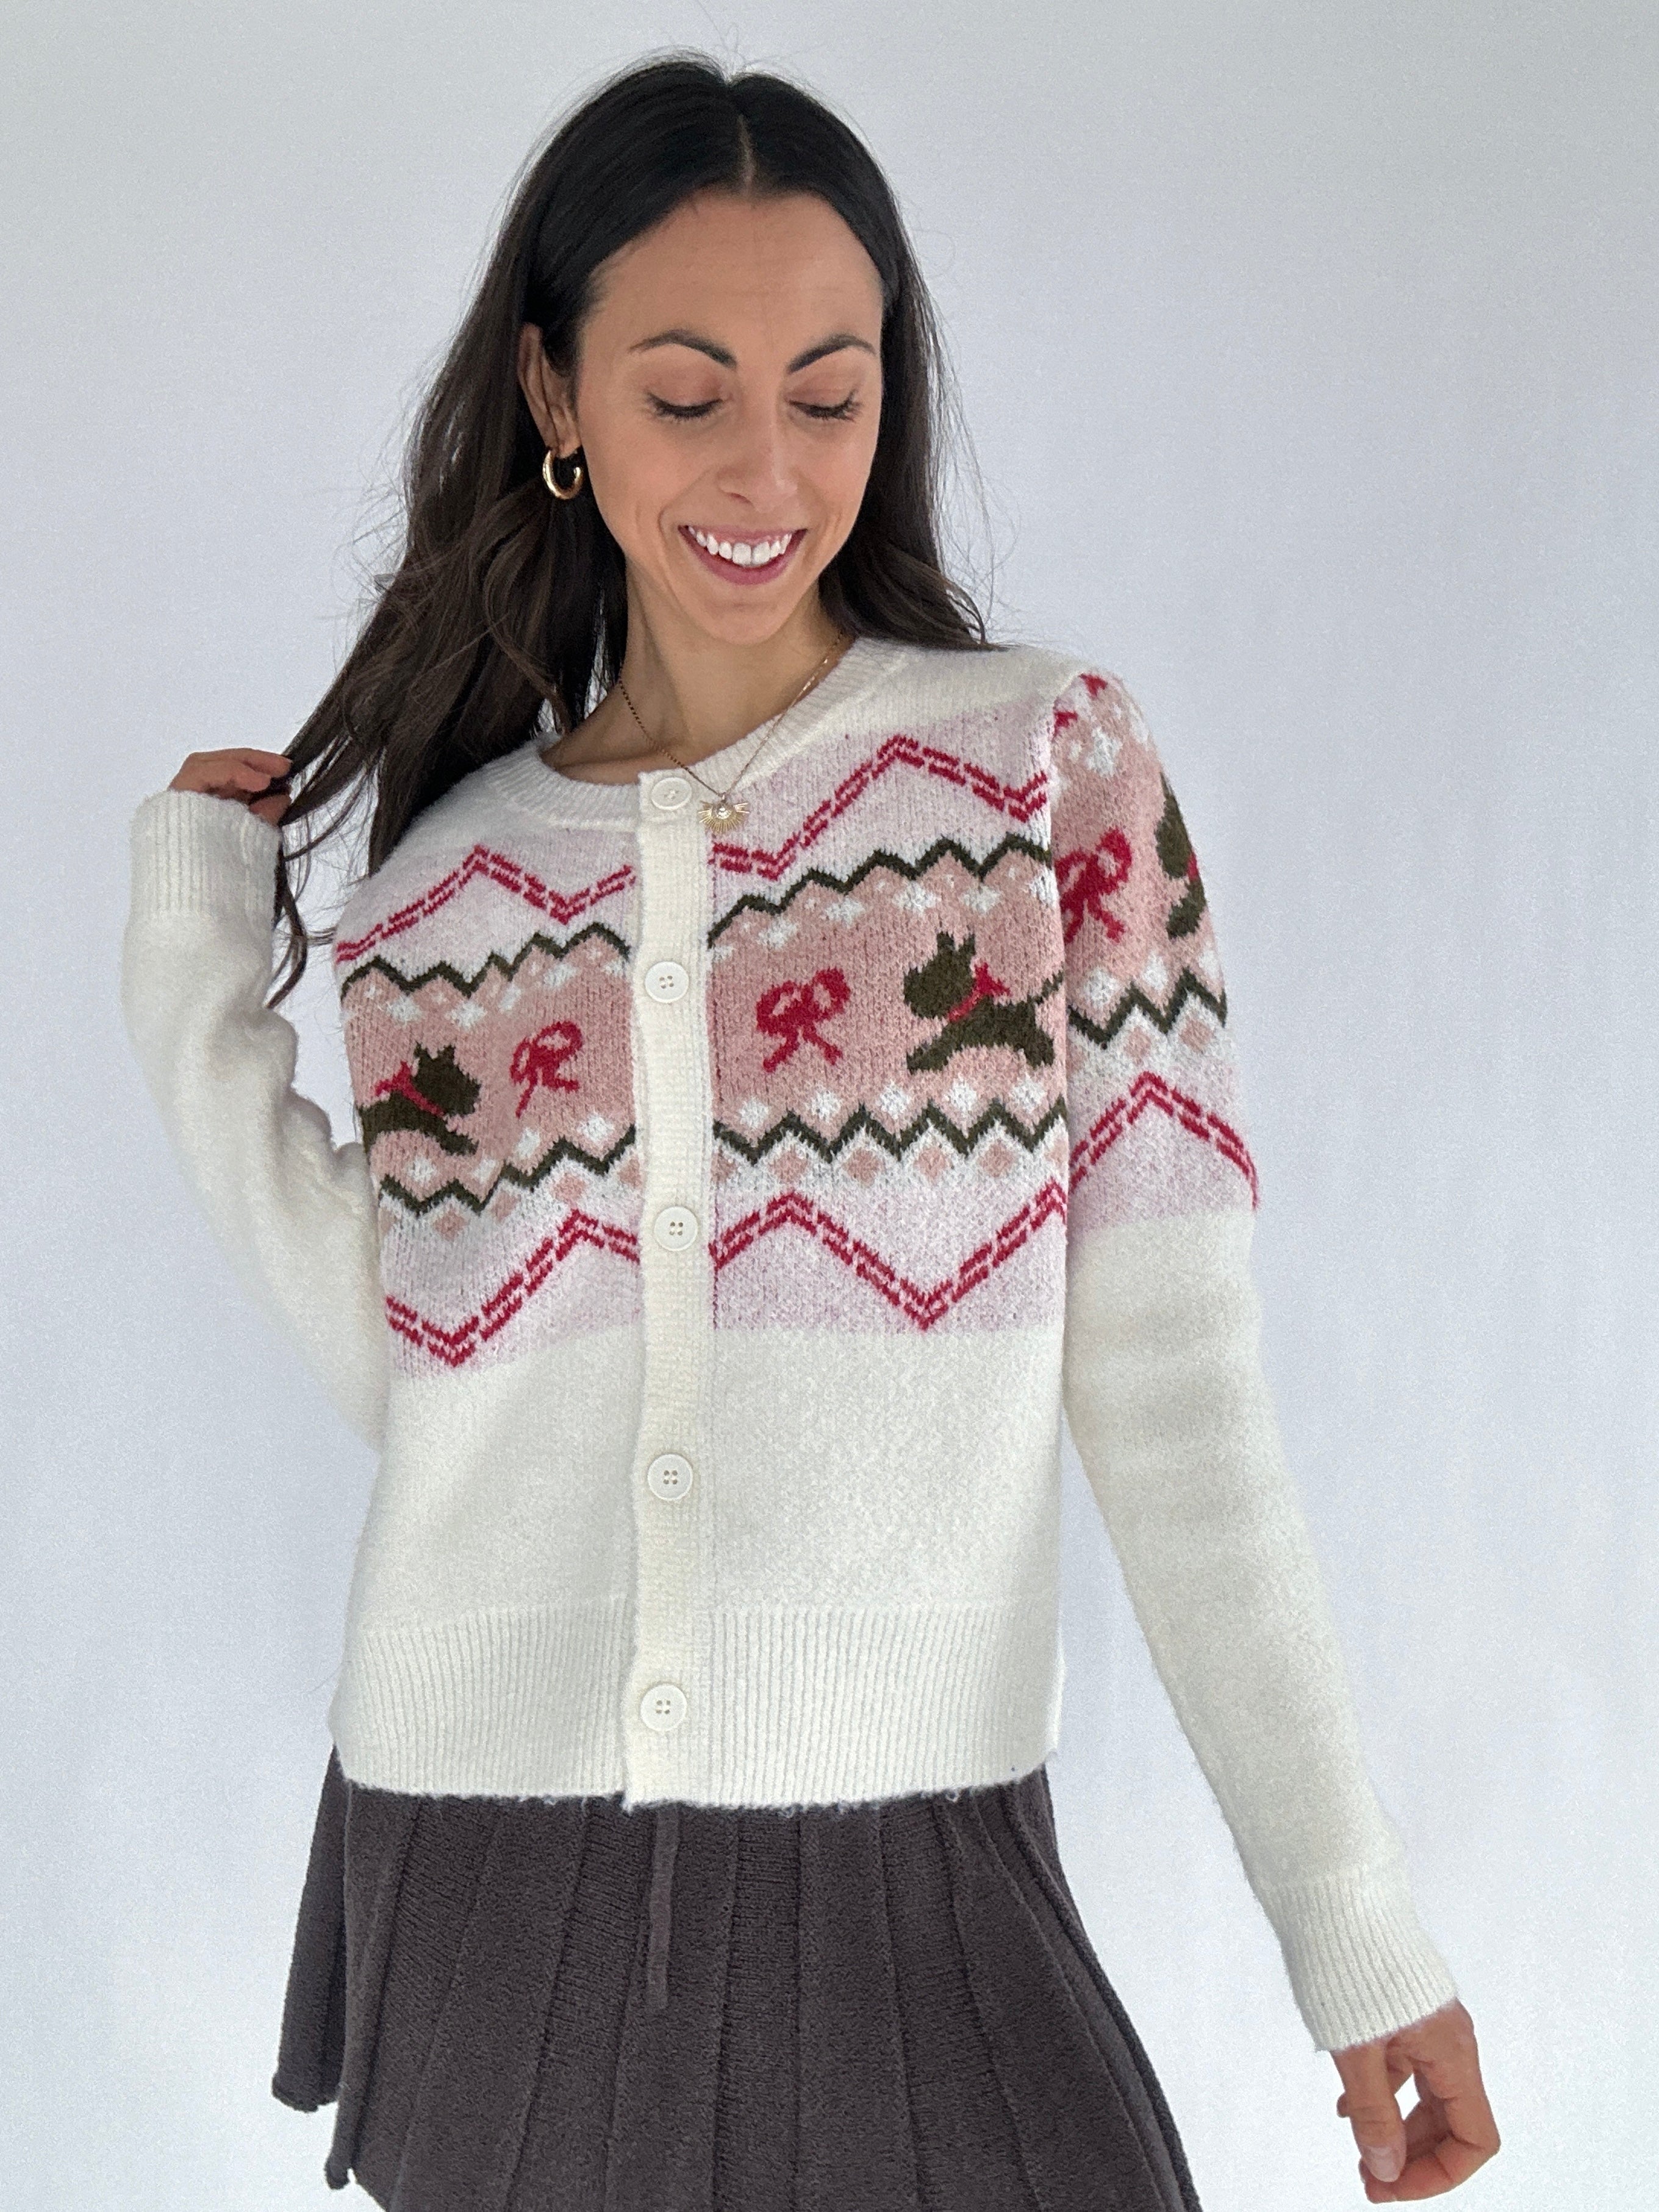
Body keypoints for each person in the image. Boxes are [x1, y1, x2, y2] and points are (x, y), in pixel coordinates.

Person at [120, 49, 1500, 2212]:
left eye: (830, 392)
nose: (768, 463)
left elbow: (1179, 1394)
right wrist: (193, 988)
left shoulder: (1044, 778)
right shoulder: (454, 887)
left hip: (922, 1853)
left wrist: (1355, 1927)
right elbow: (424, 1382)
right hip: (493, 1879)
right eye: (687, 393)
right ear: (553, 396)